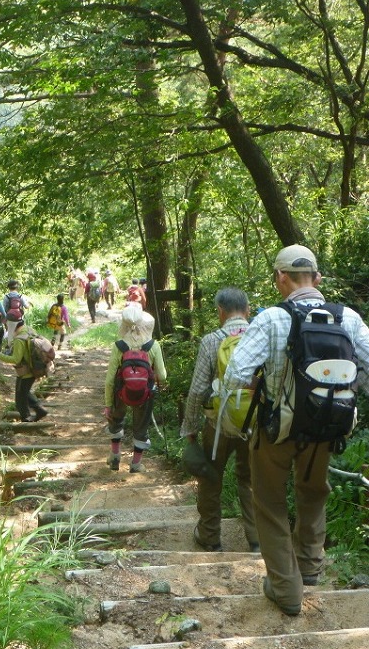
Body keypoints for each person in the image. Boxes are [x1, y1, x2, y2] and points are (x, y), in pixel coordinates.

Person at [224, 245, 369, 616]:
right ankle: (309, 568)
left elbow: (235, 373)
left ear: (280, 278)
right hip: (326, 428)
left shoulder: (272, 318)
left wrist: (259, 384)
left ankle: (286, 589)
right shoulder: (348, 318)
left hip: (277, 429)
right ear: (317, 278)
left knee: (269, 503)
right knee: (314, 492)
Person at [181, 287, 259, 554]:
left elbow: (198, 389)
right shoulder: (260, 337)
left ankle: (210, 537)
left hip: (218, 424)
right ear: (247, 310)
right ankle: (256, 539)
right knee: (250, 479)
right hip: (254, 422)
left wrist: (190, 426)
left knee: (211, 477)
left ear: (220, 312)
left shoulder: (212, 341)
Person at [104, 305, 167, 472]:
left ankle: (115, 456)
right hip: (145, 392)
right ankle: (136, 464)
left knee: (116, 420)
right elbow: (162, 376)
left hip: (120, 390)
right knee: (141, 426)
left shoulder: (119, 346)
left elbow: (110, 380)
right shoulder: (153, 345)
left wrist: (108, 405)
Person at [0, 318, 48, 422]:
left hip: (25, 372)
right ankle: (35, 413)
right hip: (35, 368)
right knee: (24, 394)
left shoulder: (19, 339)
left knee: (21, 398)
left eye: (7, 325)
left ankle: (30, 415)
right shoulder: (28, 329)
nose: (7, 327)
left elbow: (16, 359)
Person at [3, 279, 31, 346]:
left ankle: (10, 348)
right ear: (17, 287)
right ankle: (19, 347)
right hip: (20, 319)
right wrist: (29, 303)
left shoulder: (6, 297)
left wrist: (5, 321)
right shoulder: (20, 296)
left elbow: (4, 309)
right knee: (20, 334)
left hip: (10, 319)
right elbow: (27, 307)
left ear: (9, 287)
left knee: (10, 336)